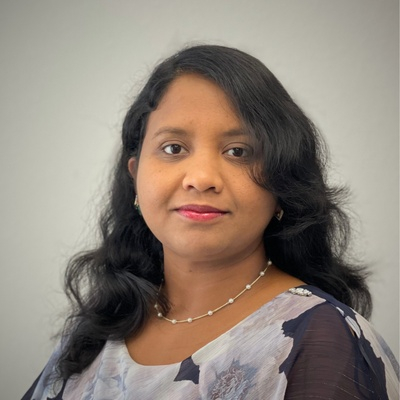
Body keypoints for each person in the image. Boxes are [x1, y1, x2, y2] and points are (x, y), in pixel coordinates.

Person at [23, 44, 398, 400]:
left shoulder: (321, 340)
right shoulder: (97, 330)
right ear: (135, 176)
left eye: (238, 151)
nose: (201, 178)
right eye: (173, 148)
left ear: (282, 183)